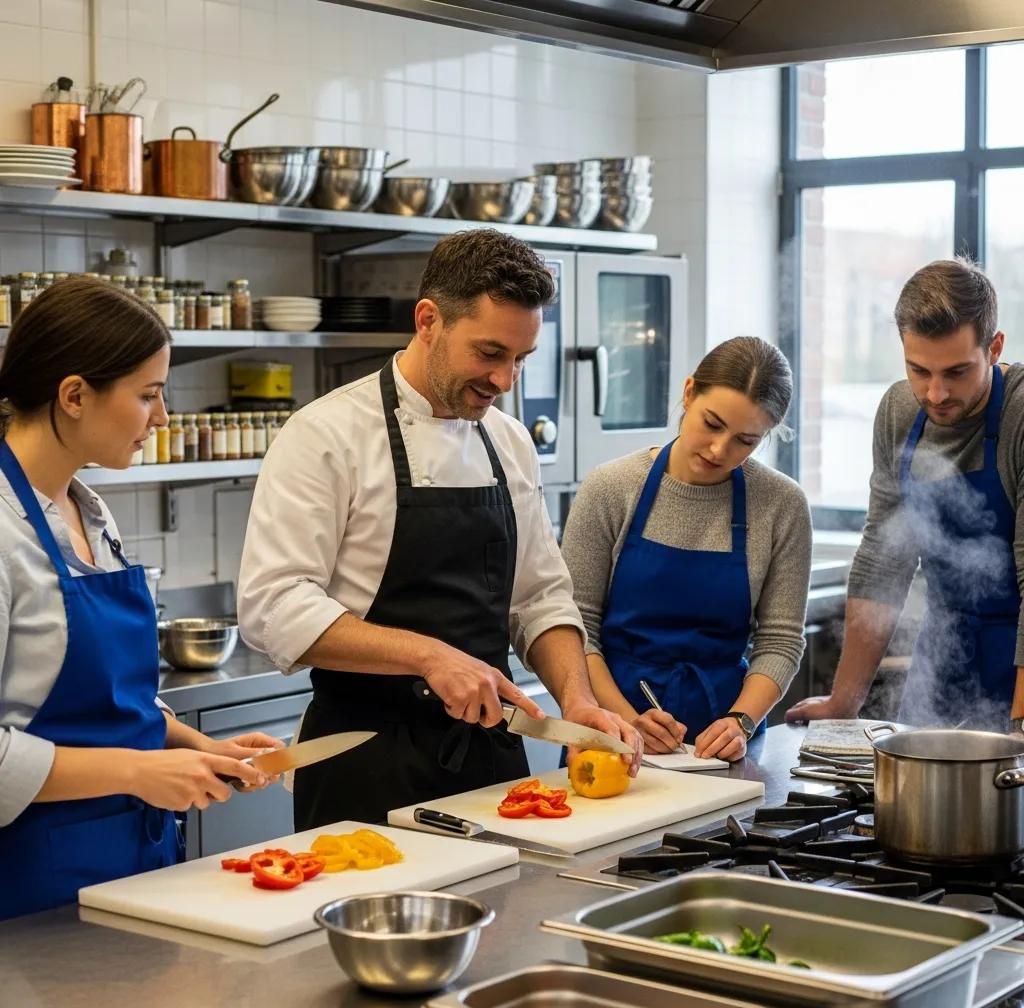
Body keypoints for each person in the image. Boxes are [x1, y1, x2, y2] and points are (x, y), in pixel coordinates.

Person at [237, 229, 641, 829]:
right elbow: (272, 607)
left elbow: (539, 598)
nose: (505, 381)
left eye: (520, 360)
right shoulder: (325, 435)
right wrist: (428, 656)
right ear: (429, 320)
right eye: (489, 353)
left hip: (490, 762)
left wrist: (577, 703)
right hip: (364, 763)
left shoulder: (509, 442)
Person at [0, 278, 281, 921]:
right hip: (31, 888)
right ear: (74, 395)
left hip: (135, 860)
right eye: (148, 395)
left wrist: (194, 747)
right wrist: (137, 771)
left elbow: (115, 704)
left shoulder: (90, 513)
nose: (161, 418)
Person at [787, 258, 1024, 732]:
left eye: (957, 372)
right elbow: (884, 559)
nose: (935, 393)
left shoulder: (1019, 413)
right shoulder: (899, 410)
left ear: (994, 348)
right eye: (919, 370)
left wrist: (1020, 726)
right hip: (944, 652)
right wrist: (843, 702)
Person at [561, 336, 812, 762]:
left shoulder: (781, 505)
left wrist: (741, 722)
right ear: (689, 391)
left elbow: (781, 640)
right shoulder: (611, 488)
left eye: (745, 441)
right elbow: (576, 627)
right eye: (712, 424)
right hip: (609, 734)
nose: (720, 450)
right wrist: (623, 721)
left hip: (723, 745)